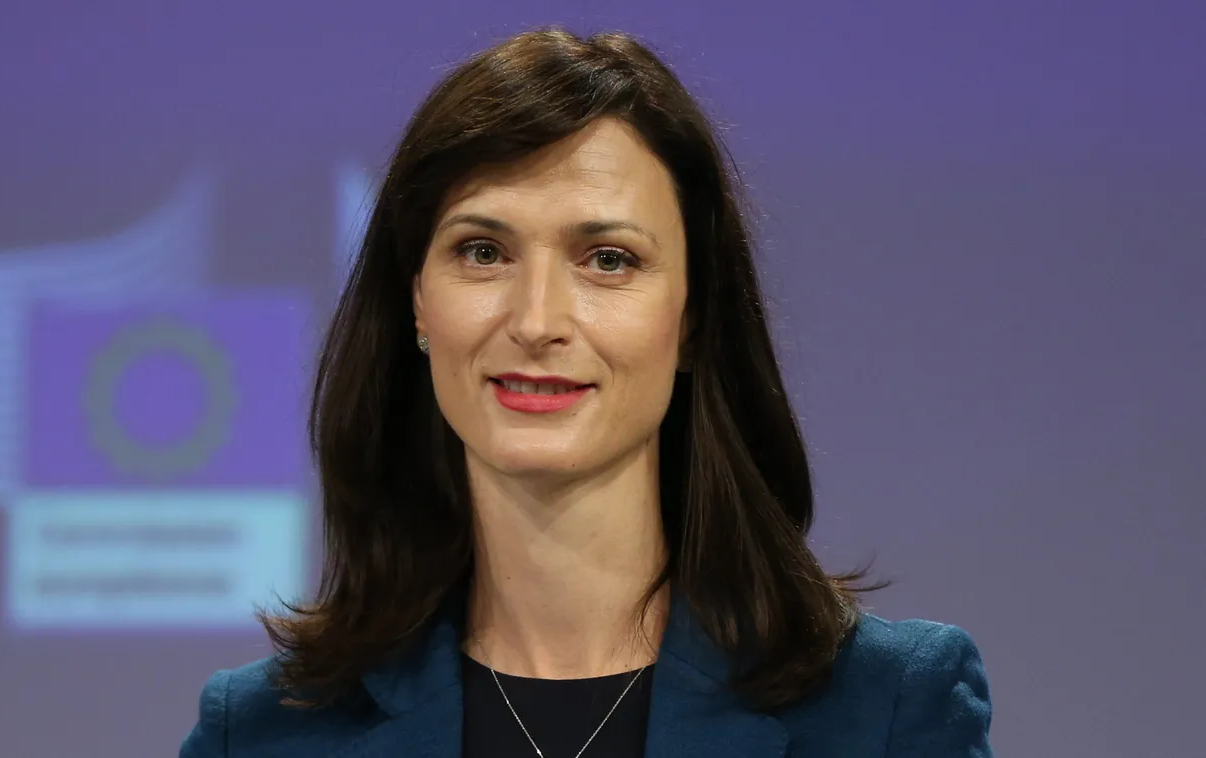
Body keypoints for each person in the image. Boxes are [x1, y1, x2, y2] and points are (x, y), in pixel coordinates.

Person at [179, 28, 992, 758]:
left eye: (607, 259)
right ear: (416, 303)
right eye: (482, 251)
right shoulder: (260, 734)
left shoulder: (884, 708)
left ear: (694, 320)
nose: (536, 321)